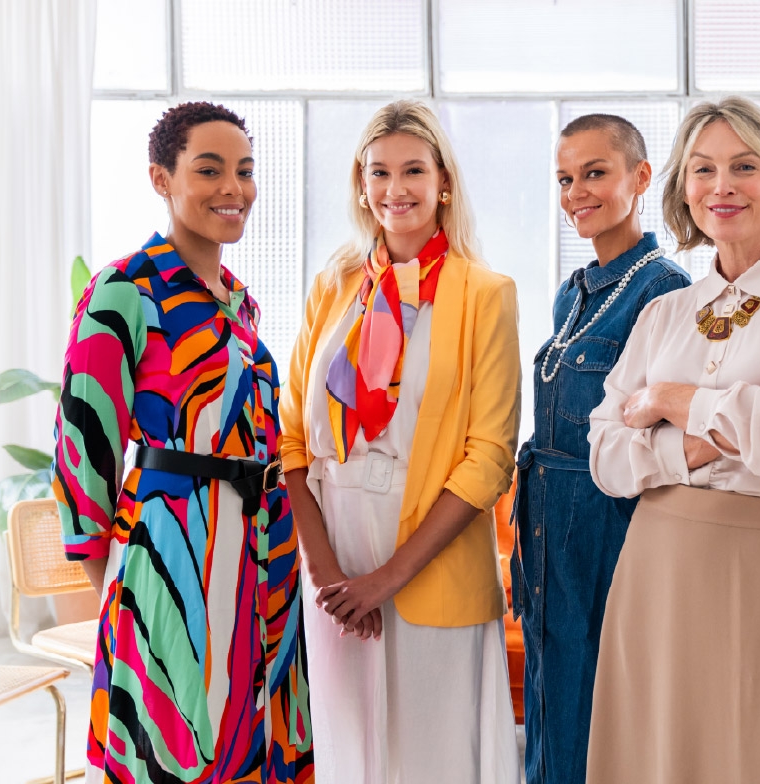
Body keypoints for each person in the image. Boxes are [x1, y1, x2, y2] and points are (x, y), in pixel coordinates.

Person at [585, 97, 760, 783]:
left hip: (757, 566)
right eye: (703, 169)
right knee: (653, 758)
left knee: (757, 752)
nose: (722, 186)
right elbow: (605, 456)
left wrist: (670, 400)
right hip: (652, 567)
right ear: (684, 188)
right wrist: (709, 438)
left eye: (744, 166)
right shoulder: (663, 313)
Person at [52, 101, 311, 783]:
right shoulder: (124, 290)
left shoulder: (239, 302)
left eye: (245, 171)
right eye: (210, 169)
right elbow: (83, 451)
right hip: (171, 553)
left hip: (262, 547)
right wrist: (126, 587)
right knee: (173, 746)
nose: (234, 188)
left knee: (253, 738)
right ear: (161, 179)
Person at [278, 99, 521, 782]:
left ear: (444, 182)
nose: (395, 188)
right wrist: (325, 573)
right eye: (378, 172)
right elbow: (290, 437)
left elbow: (489, 458)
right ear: (361, 186)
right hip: (333, 549)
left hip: (427, 556)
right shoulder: (333, 286)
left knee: (433, 758)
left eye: (413, 170)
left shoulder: (486, 294)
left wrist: (385, 579)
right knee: (351, 754)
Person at [510, 114, 690, 784]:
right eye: (565, 179)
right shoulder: (574, 291)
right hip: (548, 528)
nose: (576, 193)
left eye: (594, 173)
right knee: (550, 706)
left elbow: (666, 432)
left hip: (610, 528)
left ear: (640, 178)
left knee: (601, 712)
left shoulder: (664, 290)